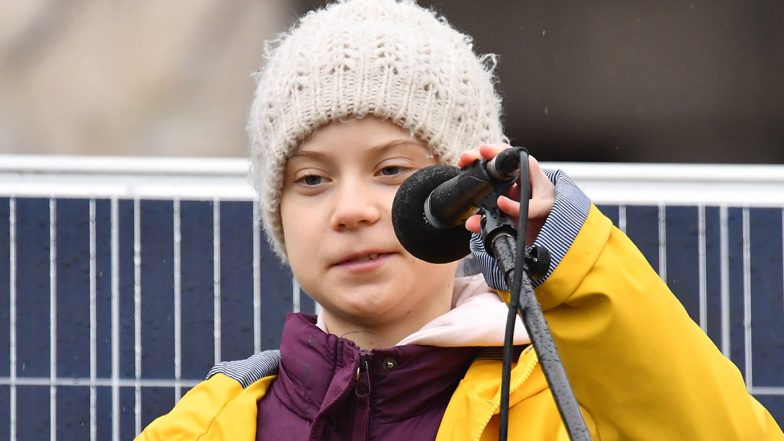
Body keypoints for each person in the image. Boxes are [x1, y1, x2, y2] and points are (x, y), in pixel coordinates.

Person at [136, 1, 783, 439]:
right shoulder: (209, 423)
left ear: (467, 191)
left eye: (393, 170)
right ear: (275, 210)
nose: (353, 208)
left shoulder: (566, 404)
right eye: (311, 178)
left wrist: (567, 247)